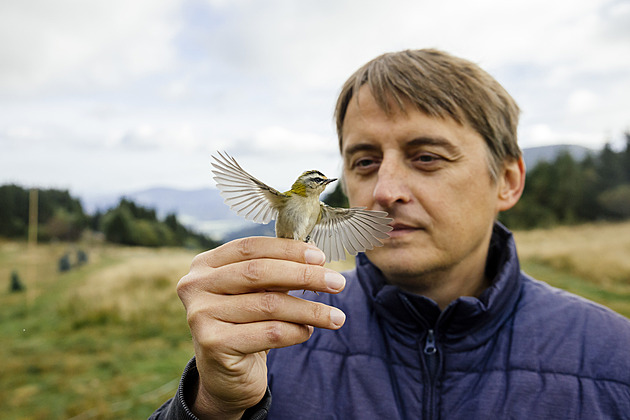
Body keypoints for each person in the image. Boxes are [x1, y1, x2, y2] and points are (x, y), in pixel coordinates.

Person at [151, 49, 630, 419]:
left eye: (427, 157)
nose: (385, 190)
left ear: (507, 181)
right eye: (364, 161)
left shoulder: (614, 358)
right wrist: (212, 406)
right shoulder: (275, 337)